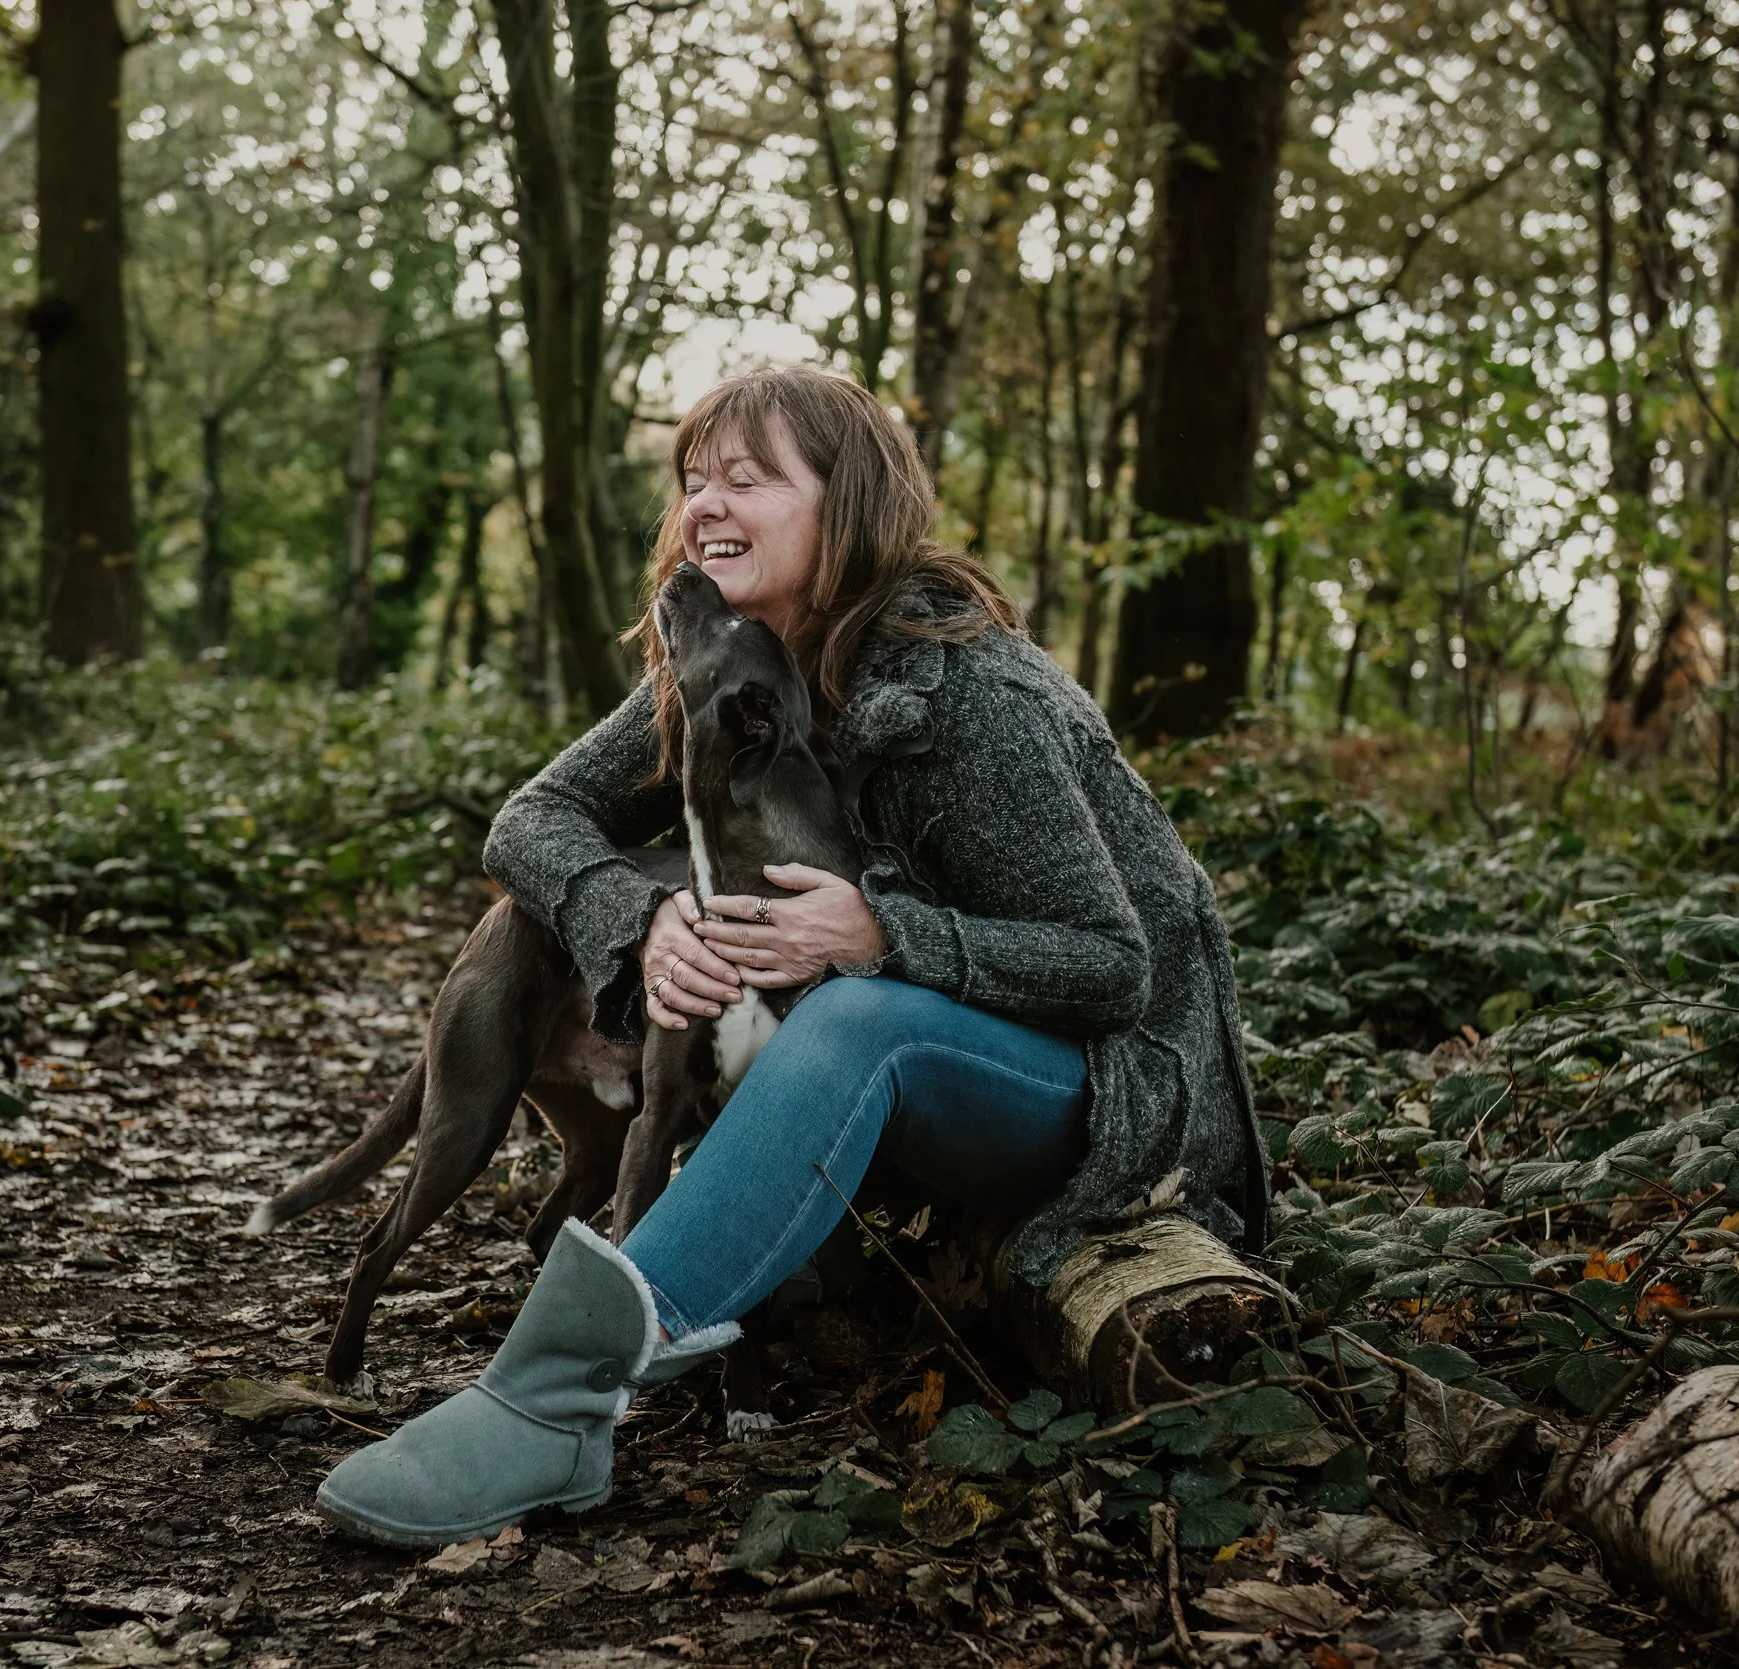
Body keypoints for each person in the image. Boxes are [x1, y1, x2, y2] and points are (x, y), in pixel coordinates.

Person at [314, 364, 1265, 1548]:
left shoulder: (968, 687)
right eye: (694, 478)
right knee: (836, 1015)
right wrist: (637, 919)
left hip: (1109, 1091)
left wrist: (884, 934)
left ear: (847, 503)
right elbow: (532, 821)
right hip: (929, 1079)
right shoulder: (732, 658)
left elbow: (1107, 968)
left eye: (748, 479)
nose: (705, 504)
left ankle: (559, 1397)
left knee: (854, 1014)